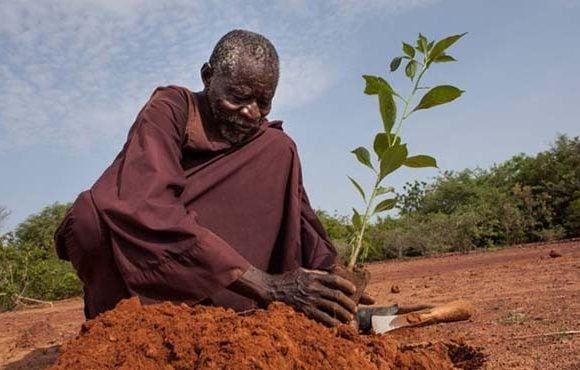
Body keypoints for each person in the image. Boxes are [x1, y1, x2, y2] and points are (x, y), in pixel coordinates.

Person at [54, 29, 373, 327]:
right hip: (144, 269)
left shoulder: (267, 144)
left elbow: (299, 217)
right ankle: (126, 323)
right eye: (238, 96)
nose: (251, 112)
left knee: (279, 148)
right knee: (90, 217)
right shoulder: (170, 110)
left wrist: (333, 285)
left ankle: (249, 312)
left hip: (217, 278)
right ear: (208, 77)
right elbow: (145, 204)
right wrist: (267, 285)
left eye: (263, 102)